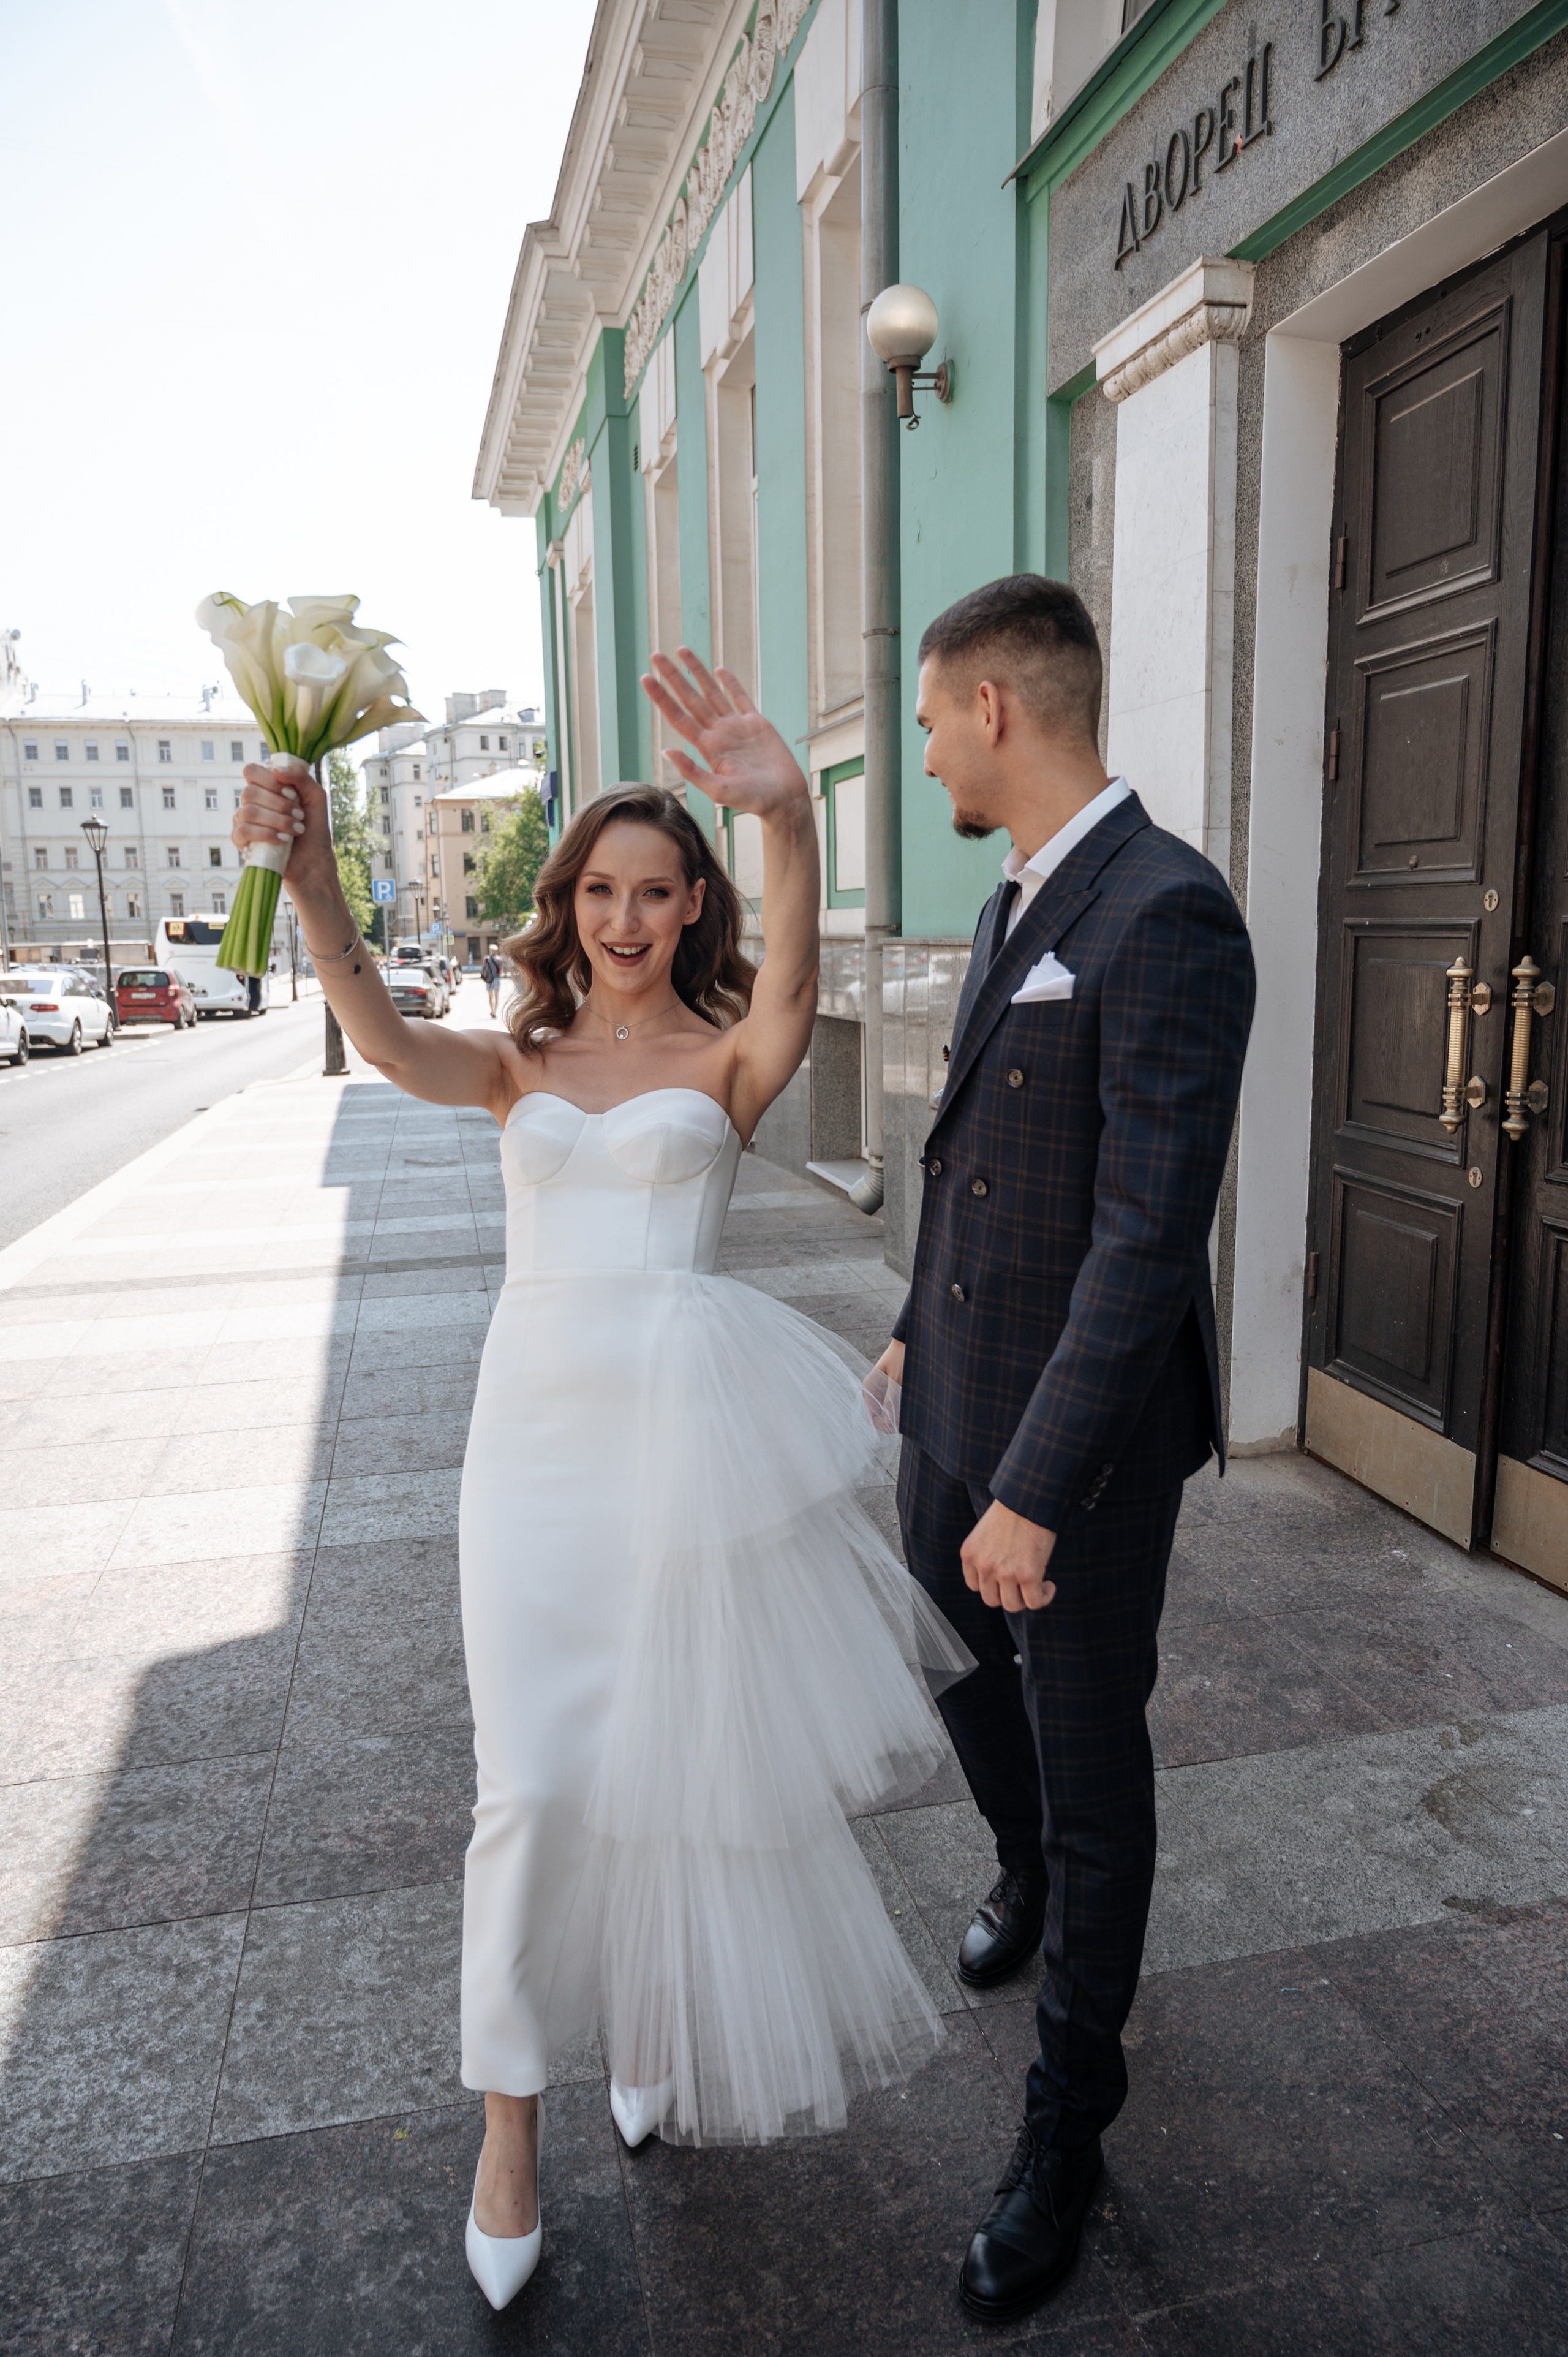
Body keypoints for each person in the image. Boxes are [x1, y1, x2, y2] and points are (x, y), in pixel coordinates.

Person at [232, 651, 970, 2313]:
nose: (628, 914)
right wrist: (310, 876)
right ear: (566, 904)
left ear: (690, 899)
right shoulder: (517, 1063)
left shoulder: (730, 1056)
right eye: (602, 889)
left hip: (683, 1443)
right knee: (529, 1785)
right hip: (534, 1454)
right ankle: (507, 2124)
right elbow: (373, 1024)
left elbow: (795, 967)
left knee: (662, 1762)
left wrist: (784, 811)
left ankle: (647, 2020)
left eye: (657, 887)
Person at [869, 576, 1254, 2324]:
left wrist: (1032, 1485)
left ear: (996, 708)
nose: (932, 743)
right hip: (951, 1396)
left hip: (1073, 1463)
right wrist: (906, 1324)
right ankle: (1012, 1856)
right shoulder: (1018, 891)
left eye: (935, 716)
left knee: (1097, 1784)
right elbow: (975, 1163)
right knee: (960, 1677)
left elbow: (1141, 1240)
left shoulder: (1169, 910)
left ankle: (1064, 2134)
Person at [480, 947, 501, 1017]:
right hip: (497, 979)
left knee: (490, 996)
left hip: (489, 980)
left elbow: (483, 969)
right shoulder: (499, 959)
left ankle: (492, 1010)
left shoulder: (486, 959)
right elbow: (501, 971)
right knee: (496, 996)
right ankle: (495, 1011)